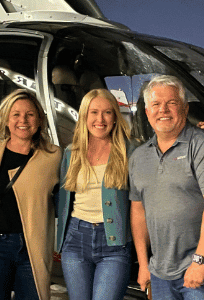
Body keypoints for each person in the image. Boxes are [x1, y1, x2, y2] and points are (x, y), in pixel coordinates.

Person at [129, 75, 204, 300]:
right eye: (156, 104)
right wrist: (144, 265)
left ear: (184, 109)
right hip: (160, 272)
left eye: (172, 103)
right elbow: (138, 212)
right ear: (147, 112)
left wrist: (200, 260)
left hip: (203, 269)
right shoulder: (139, 157)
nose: (163, 110)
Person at [0, 89, 62, 300]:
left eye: (30, 114)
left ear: (39, 119)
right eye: (16, 114)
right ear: (6, 119)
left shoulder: (53, 156)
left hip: (32, 249)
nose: (23, 120)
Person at [55, 89, 135, 300]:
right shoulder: (71, 152)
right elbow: (63, 199)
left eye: (107, 112)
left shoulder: (130, 151)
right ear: (84, 116)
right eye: (94, 112)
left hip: (114, 244)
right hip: (75, 239)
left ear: (115, 117)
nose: (100, 119)